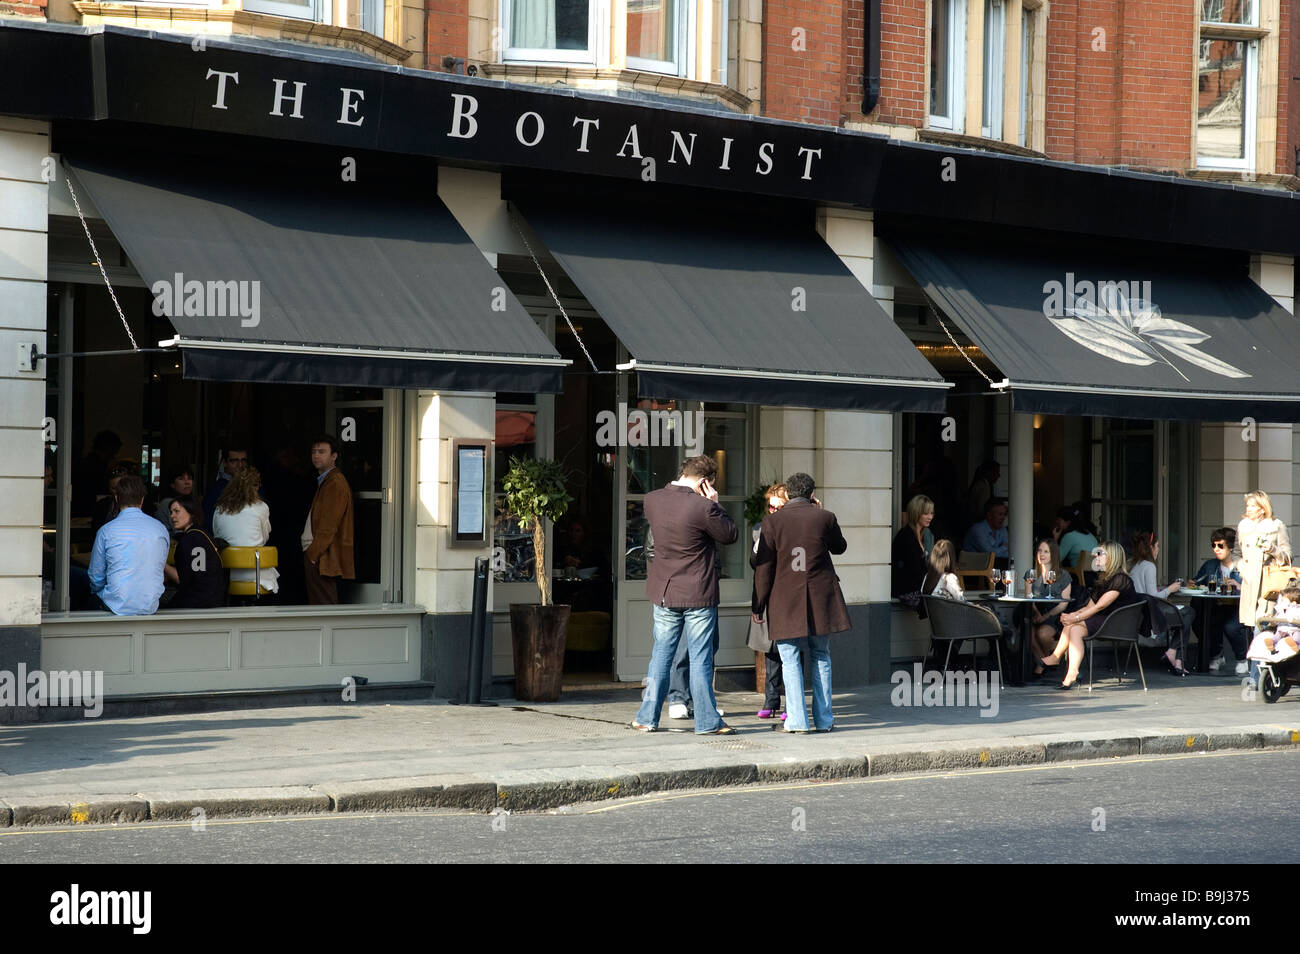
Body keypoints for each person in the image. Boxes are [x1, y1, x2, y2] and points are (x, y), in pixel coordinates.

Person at [632, 454, 738, 735]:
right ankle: (707, 721)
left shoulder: (652, 499)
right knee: (701, 659)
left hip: (664, 591)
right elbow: (729, 534)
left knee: (660, 656)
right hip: (697, 593)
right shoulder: (704, 506)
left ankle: (646, 717)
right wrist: (714, 503)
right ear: (705, 482)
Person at [752, 472, 850, 734]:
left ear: (789, 494)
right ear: (811, 494)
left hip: (784, 600)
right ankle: (824, 720)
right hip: (822, 598)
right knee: (821, 655)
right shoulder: (825, 517)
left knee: (790, 658)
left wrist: (758, 605)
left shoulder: (773, 522)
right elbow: (839, 547)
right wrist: (819, 512)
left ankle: (797, 721)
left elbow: (763, 568)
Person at [1040, 541, 1143, 690]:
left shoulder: (1121, 579)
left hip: (1117, 624)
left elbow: (1100, 606)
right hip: (1104, 620)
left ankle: (1056, 657)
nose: (1095, 556)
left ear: (1111, 556)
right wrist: (1073, 614)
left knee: (1074, 624)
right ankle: (1071, 674)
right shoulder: (1104, 579)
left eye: (1099, 553)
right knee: (1074, 628)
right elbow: (1090, 605)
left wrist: (1075, 618)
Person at [87, 474, 169, 616]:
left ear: (117, 498)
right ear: (142, 500)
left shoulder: (106, 530)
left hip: (114, 605)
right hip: (150, 605)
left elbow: (96, 577)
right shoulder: (160, 529)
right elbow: (158, 567)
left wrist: (103, 592)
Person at [1235, 490, 1292, 670]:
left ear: (1262, 508)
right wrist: (1241, 568)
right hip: (1249, 585)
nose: (1248, 509)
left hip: (1267, 586)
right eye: (1248, 506)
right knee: (1250, 628)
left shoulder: (1276, 526)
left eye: (1252, 505)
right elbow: (1237, 553)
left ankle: (1256, 676)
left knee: (1262, 627)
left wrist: (1273, 549)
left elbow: (1288, 556)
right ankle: (1258, 672)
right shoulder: (1243, 526)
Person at [750, 483, 789, 721]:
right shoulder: (760, 528)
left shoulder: (795, 528)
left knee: (791, 651)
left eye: (778, 506)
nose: (772, 510)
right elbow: (756, 566)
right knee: (771, 649)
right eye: (770, 506)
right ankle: (771, 700)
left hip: (790, 595)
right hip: (769, 594)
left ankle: (791, 704)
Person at [302, 435, 355, 605]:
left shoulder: (335, 483)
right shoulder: (327, 480)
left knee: (324, 608)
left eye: (322, 452)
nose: (316, 456)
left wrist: (313, 554)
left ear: (334, 456)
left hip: (324, 558)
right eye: (314, 452)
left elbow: (329, 525)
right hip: (321, 556)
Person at [1192, 527, 1251, 675]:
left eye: (1220, 546)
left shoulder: (1242, 566)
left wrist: (1239, 586)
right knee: (1202, 621)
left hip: (1238, 607)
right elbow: (1197, 581)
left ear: (1230, 547)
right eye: (1213, 545)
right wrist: (1193, 584)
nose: (1216, 549)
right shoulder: (1210, 565)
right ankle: (1217, 655)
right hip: (1216, 605)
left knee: (1231, 627)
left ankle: (1241, 659)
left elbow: (1254, 588)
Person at [213, 466, 279, 595]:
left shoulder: (220, 508)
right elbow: (264, 537)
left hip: (227, 574)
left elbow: (217, 536)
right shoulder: (262, 507)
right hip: (256, 573)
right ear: (256, 486)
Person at [165, 498, 226, 609]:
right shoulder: (202, 533)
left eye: (177, 511)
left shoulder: (189, 539)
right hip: (215, 598)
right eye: (171, 512)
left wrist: (161, 563)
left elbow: (181, 578)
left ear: (191, 512)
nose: (172, 516)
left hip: (197, 601)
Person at [1027, 539, 1072, 680]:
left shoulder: (1063, 575)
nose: (1042, 554)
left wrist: (1045, 616)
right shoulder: (1031, 574)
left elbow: (1063, 603)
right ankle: (1046, 663)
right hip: (1034, 612)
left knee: (1043, 635)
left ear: (1054, 554)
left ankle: (1040, 666)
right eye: (1039, 551)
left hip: (1054, 614)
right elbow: (1028, 598)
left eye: (1046, 551)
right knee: (1028, 634)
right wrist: (1036, 613)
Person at [891, 494, 935, 598]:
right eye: (926, 513)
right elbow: (915, 570)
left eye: (932, 513)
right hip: (908, 591)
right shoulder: (906, 536)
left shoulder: (923, 535)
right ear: (916, 513)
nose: (930, 517)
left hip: (917, 589)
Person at [203, 447, 250, 531]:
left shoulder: (255, 486)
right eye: (234, 461)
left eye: (243, 460)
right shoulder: (216, 489)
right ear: (225, 463)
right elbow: (209, 522)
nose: (240, 465)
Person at [1052, 503, 1099, 569]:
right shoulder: (1090, 535)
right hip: (1094, 576)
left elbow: (1056, 560)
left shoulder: (1069, 537)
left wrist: (1055, 540)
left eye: (1059, 520)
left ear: (1068, 522)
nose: (1056, 522)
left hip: (1077, 575)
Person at [154, 464, 198, 533]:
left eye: (189, 478)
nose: (187, 482)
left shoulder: (189, 502)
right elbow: (179, 532)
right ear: (172, 484)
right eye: (181, 478)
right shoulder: (168, 503)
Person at [965, 460, 1000, 527]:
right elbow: (981, 511)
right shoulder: (983, 486)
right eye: (996, 472)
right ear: (988, 472)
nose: (999, 475)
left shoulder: (981, 484)